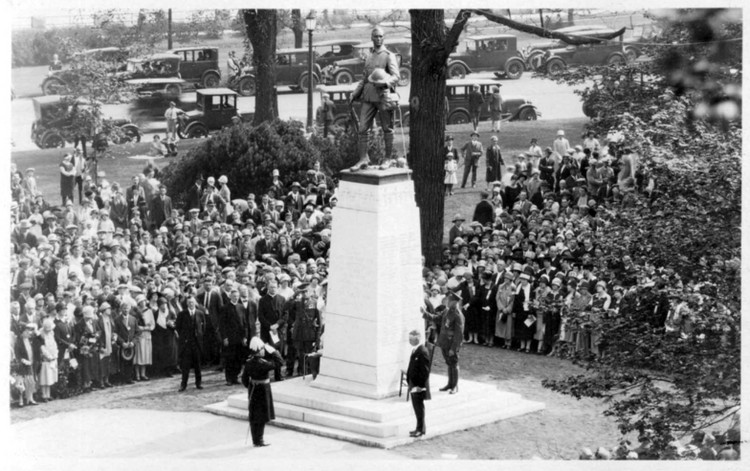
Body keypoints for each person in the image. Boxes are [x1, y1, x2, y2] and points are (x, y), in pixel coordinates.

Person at [349, 27, 400, 171]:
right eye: (376, 36)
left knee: (387, 128)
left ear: (384, 38)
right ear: (372, 38)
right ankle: (363, 158)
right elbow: (364, 79)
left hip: (384, 97)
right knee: (362, 128)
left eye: (380, 36)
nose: (378, 39)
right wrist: (354, 93)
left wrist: (385, 83)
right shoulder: (369, 56)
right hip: (368, 97)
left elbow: (396, 76)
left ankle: (388, 159)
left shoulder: (389, 55)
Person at [241, 337, 284, 447]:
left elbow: (244, 380)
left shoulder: (248, 363)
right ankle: (259, 440)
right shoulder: (262, 364)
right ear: (259, 350)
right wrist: (273, 350)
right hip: (263, 391)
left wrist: (251, 386)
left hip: (253, 390)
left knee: (254, 415)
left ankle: (255, 439)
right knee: (262, 416)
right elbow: (280, 362)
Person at [425, 290, 464, 394]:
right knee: (449, 363)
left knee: (454, 363)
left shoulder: (457, 315)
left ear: (455, 302)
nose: (448, 302)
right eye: (448, 300)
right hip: (444, 341)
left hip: (451, 343)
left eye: (450, 301)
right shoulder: (446, 311)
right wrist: (425, 314)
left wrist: (454, 348)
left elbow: (459, 334)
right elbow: (437, 318)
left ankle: (454, 386)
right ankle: (449, 384)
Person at [218, 287, 248, 385]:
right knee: (230, 359)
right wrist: (224, 338)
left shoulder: (241, 307)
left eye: (237, 296)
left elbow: (244, 323)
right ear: (230, 296)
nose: (235, 297)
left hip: (239, 338)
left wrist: (244, 337)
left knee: (238, 359)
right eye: (233, 296)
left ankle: (235, 377)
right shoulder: (225, 308)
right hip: (230, 338)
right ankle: (229, 379)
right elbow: (222, 325)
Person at [175, 296, 206, 391]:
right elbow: (178, 327)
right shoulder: (182, 314)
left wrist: (199, 336)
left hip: (197, 343)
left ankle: (198, 383)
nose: (191, 304)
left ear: (195, 303)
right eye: (189, 302)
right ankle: (183, 384)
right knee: (185, 366)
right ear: (187, 304)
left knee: (197, 365)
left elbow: (203, 327)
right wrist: (184, 338)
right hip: (186, 343)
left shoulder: (200, 313)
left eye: (192, 302)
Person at [405, 329, 431, 438]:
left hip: (418, 385)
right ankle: (419, 428)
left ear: (417, 339)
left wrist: (420, 386)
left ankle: (420, 429)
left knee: (419, 408)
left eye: (411, 339)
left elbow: (425, 371)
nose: (409, 341)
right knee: (416, 408)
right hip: (413, 383)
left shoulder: (422, 351)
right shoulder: (415, 350)